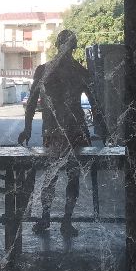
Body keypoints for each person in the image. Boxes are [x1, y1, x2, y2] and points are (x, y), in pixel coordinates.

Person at [18, 29, 107, 235]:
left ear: (57, 45)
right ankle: (63, 220)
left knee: (54, 176)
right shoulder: (79, 72)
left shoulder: (46, 70)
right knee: (68, 177)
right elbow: (96, 106)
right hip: (69, 132)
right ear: (74, 46)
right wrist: (105, 132)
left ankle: (49, 218)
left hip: (58, 132)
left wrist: (27, 128)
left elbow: (31, 102)